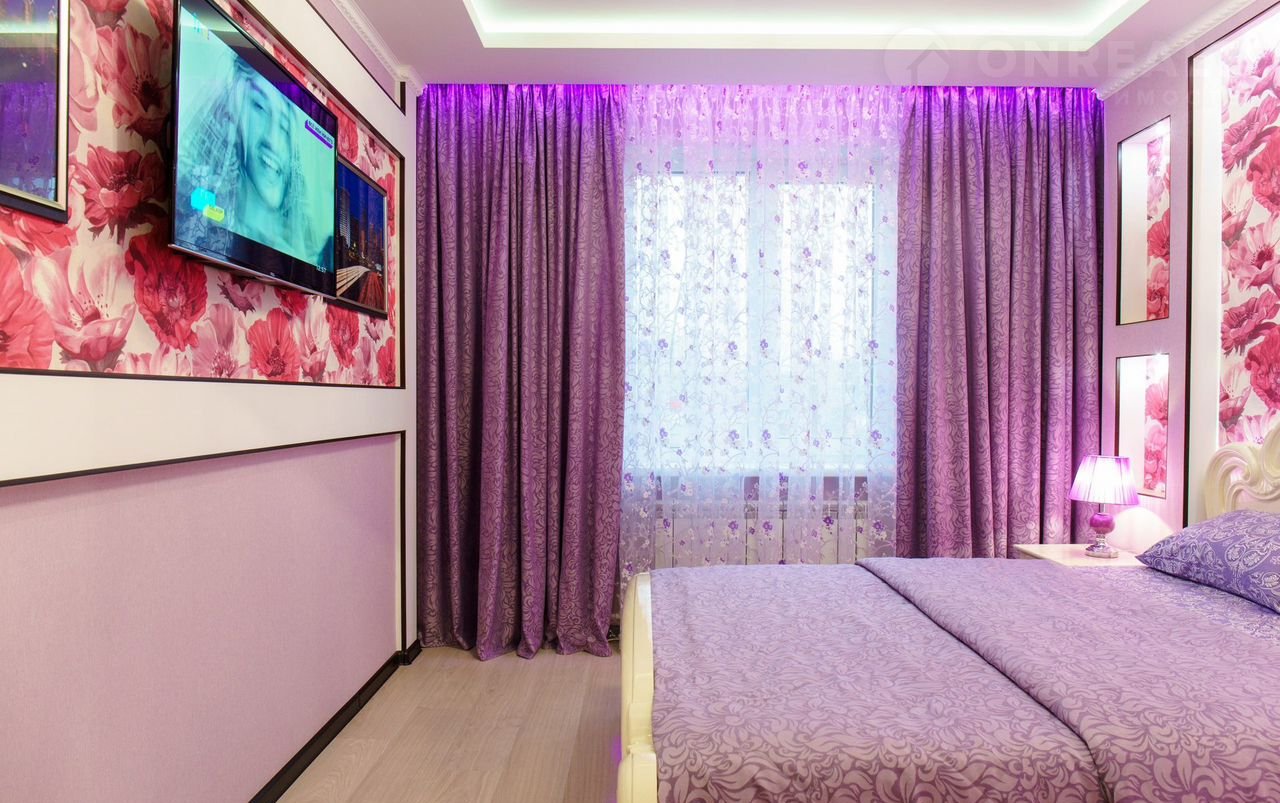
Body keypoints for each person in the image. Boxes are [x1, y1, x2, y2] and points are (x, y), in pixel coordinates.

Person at [176, 45, 332, 277]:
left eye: (284, 127)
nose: (273, 140)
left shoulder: (303, 261)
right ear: (233, 113)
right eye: (259, 107)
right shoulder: (199, 222)